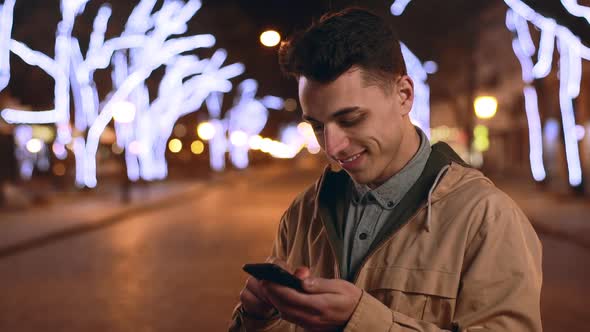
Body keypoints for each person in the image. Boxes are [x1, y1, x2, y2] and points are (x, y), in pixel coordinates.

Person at [229, 7, 542, 332]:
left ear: (404, 95)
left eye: (351, 119)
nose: (332, 148)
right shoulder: (303, 212)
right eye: (318, 126)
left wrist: (363, 322)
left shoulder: (486, 217)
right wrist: (253, 316)